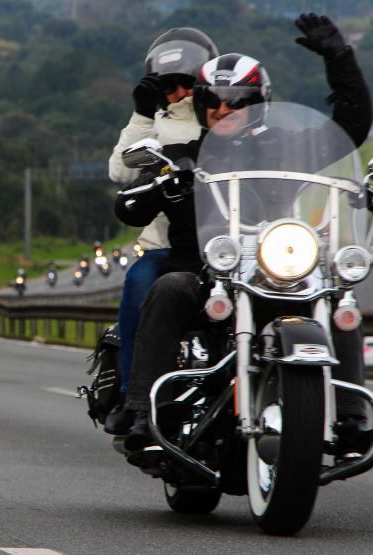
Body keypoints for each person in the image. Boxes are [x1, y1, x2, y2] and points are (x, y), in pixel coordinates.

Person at [121, 13, 373, 456]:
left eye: (237, 101)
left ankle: (352, 416)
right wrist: (159, 184)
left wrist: (340, 57)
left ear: (258, 103)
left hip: (275, 266)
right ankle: (144, 410)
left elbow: (349, 126)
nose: (224, 110)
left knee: (337, 298)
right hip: (205, 271)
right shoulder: (181, 154)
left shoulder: (285, 148)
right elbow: (130, 202)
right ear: (201, 105)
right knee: (168, 287)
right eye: (214, 101)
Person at [105, 28, 219, 433]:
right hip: (166, 245)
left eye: (185, 83)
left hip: (229, 245)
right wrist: (141, 114)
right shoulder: (154, 126)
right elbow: (120, 172)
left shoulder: (223, 117)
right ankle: (132, 394)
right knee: (139, 285)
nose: (178, 93)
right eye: (167, 86)